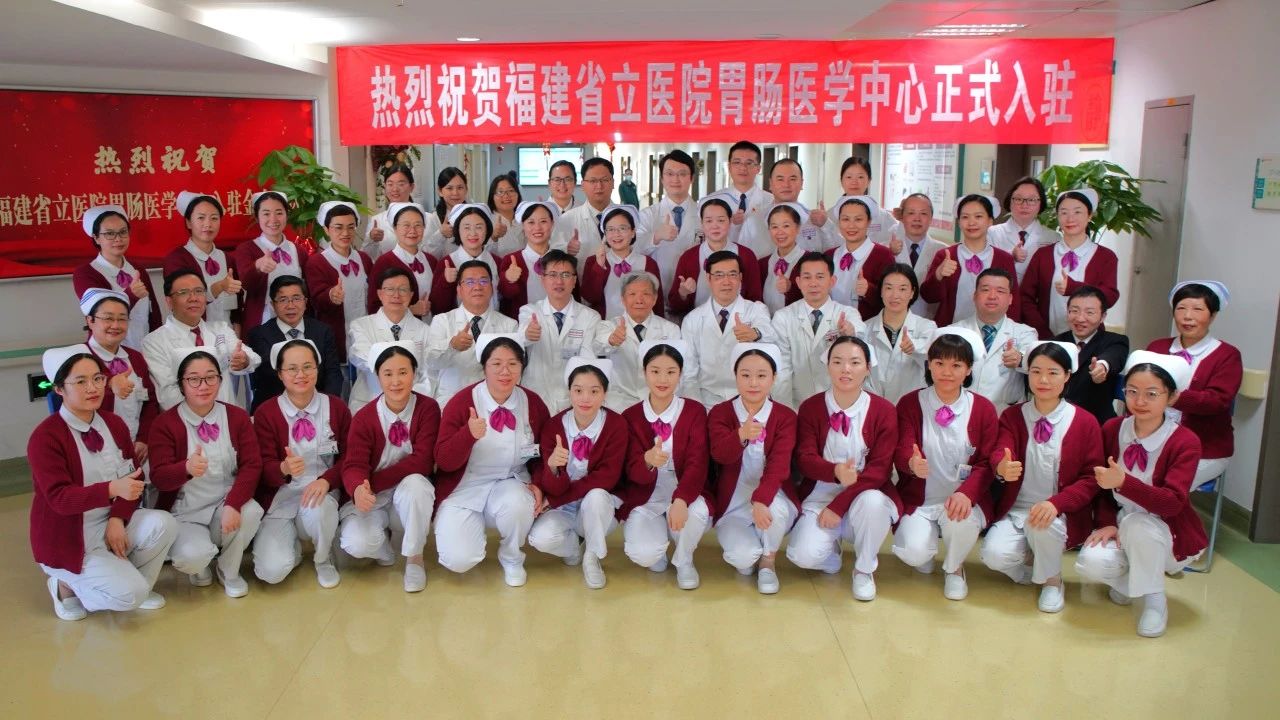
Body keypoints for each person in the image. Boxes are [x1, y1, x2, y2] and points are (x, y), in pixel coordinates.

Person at [28, 345, 177, 620]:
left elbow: (134, 477)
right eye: (80, 381)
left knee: (164, 523)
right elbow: (59, 499)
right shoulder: (46, 437)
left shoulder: (113, 423)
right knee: (129, 595)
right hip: (71, 535)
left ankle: (133, 584)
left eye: (97, 378)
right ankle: (64, 585)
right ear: (59, 389)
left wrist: (118, 518)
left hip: (109, 522)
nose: (93, 388)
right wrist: (110, 489)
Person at [1075, 351, 1208, 638]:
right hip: (1122, 522)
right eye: (1132, 391)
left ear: (1172, 397)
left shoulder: (1185, 441)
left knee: (1138, 526)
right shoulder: (1113, 428)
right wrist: (1107, 522)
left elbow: (1173, 503)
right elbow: (1100, 486)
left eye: (1152, 394)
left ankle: (1155, 601)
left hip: (1168, 530)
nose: (1140, 401)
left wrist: (1124, 483)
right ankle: (1131, 581)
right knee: (1090, 563)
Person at [981, 341, 1103, 613]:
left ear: (1067, 376)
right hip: (1018, 509)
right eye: (1036, 372)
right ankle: (1030, 563)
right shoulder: (1013, 415)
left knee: (1043, 525)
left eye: (1053, 372)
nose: (1043, 380)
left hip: (1060, 512)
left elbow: (1090, 478)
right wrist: (1001, 466)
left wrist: (1056, 503)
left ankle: (1052, 581)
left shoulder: (1084, 422)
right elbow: (1001, 449)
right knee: (994, 556)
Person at [433, 334, 550, 587]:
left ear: (522, 367)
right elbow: (444, 460)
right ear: (484, 367)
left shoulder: (532, 403)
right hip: (466, 485)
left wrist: (540, 483)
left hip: (511, 481)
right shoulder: (462, 402)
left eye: (513, 364)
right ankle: (474, 534)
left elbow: (542, 453)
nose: (505, 372)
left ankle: (512, 556)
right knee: (458, 559)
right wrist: (468, 435)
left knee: (519, 504)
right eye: (496, 364)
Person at [788, 336, 899, 601]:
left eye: (855, 362)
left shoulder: (883, 410)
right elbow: (804, 458)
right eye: (837, 361)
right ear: (827, 366)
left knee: (873, 503)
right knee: (802, 556)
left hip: (865, 495)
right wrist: (835, 472)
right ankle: (832, 549)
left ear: (868, 368)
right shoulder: (811, 407)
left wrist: (839, 505)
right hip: (820, 497)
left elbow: (880, 470)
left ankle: (864, 569)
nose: (845, 369)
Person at [892, 329, 998, 601]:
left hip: (964, 499)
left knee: (960, 521)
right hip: (921, 499)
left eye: (956, 365)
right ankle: (926, 549)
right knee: (913, 553)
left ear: (969, 369)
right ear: (929, 364)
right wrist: (911, 463)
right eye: (939, 363)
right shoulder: (910, 403)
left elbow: (986, 462)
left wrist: (967, 493)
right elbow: (902, 447)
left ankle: (954, 568)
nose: (947, 372)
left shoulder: (983, 408)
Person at [148, 348, 264, 598]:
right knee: (192, 558)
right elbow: (159, 477)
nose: (203, 386)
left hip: (224, 504)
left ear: (220, 380)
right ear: (181, 384)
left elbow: (252, 465)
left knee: (251, 511)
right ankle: (200, 563)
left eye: (211, 377)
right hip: (185, 511)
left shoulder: (236, 416)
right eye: (194, 379)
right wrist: (185, 469)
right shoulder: (165, 424)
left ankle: (229, 570)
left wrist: (233, 503)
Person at [340, 342, 440, 592]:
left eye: (403, 372)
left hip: (406, 490)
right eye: (388, 373)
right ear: (378, 376)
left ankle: (415, 559)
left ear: (414, 374)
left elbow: (423, 461)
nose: (396, 381)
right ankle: (382, 547)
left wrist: (372, 484)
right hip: (374, 495)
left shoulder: (428, 408)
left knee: (416, 485)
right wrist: (358, 488)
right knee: (357, 543)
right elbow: (353, 464)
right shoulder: (364, 417)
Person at [251, 339, 351, 589]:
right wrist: (282, 469)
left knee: (320, 510)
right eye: (292, 369)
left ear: (317, 369)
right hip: (282, 497)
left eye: (308, 367)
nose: (301, 375)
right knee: (270, 572)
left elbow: (350, 458)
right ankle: (292, 549)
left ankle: (323, 557)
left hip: (321, 492)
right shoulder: (266, 413)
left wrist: (327, 480)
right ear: (280, 374)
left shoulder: (336, 407)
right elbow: (259, 467)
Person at [616, 340, 711, 590]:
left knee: (697, 512)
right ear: (644, 372)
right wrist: (646, 461)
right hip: (646, 496)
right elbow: (629, 471)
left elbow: (698, 462)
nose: (662, 379)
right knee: (645, 556)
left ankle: (684, 560)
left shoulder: (694, 411)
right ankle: (659, 545)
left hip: (685, 491)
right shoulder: (630, 416)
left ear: (680, 374)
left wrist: (681, 499)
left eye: (671, 372)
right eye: (655, 371)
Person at [529, 359, 628, 589]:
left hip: (598, 507)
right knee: (539, 539)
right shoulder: (553, 426)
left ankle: (592, 557)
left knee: (596, 496)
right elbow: (552, 487)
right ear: (569, 392)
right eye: (578, 390)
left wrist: (556, 500)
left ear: (604, 394)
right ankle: (574, 548)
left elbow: (607, 478)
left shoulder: (616, 425)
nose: (586, 398)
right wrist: (553, 468)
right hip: (564, 505)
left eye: (594, 391)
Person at [708, 343, 799, 595]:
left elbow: (779, 466)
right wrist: (741, 435)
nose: (753, 383)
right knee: (743, 560)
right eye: (746, 375)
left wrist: (761, 499)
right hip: (734, 501)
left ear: (774, 378)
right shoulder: (720, 412)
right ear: (735, 376)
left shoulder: (785, 416)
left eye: (762, 375)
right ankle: (754, 551)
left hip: (773, 495)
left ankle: (768, 561)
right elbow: (719, 455)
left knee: (775, 510)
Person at [1146, 281, 1242, 489]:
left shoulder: (1227, 355)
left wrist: (1174, 398)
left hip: (1204, 449)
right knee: (1121, 477)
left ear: (1213, 315)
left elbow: (1217, 401)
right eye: (1181, 308)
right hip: (1153, 441)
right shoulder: (1157, 347)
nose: (1187, 316)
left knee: (1156, 487)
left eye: (1197, 309)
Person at [141, 270, 260, 410]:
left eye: (199, 291)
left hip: (226, 415)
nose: (193, 298)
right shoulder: (154, 342)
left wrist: (244, 361)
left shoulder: (221, 329)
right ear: (169, 301)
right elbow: (168, 396)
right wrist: (208, 411)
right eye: (184, 292)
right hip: (185, 419)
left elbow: (254, 359)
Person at [680, 250, 779, 406]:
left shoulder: (756, 310)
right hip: (707, 401)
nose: (726, 282)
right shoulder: (692, 320)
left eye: (732, 275)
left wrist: (755, 334)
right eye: (719, 275)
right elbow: (689, 374)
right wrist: (696, 408)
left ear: (740, 277)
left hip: (750, 399)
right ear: (708, 278)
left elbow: (770, 335)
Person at [1021, 188, 1121, 339]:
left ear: (1089, 215)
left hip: (1090, 340)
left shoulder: (1105, 256)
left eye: (1077, 212)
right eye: (1064, 212)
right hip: (1046, 338)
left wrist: (1075, 287)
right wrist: (1042, 332)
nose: (1070, 219)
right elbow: (1025, 297)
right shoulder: (1043, 254)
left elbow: (1110, 296)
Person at [770, 251, 862, 408]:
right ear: (798, 282)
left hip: (840, 404)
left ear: (832, 281)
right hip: (798, 405)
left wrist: (851, 333)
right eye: (807, 277)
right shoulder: (783, 317)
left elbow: (862, 338)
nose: (813, 283)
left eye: (820, 277)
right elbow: (781, 370)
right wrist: (785, 410)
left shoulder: (847, 313)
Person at [516, 250, 602, 412]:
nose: (559, 281)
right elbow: (520, 339)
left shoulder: (590, 316)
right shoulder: (529, 311)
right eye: (552, 275)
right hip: (535, 393)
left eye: (565, 275)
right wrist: (528, 334)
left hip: (572, 396)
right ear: (543, 280)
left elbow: (588, 360)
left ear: (574, 280)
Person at [80, 289, 159, 463]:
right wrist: (109, 384)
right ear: (90, 320)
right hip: (97, 451)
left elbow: (151, 400)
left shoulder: (135, 358)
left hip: (137, 447)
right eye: (108, 318)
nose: (115, 325)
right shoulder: (78, 358)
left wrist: (144, 439)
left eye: (122, 319)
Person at [424, 260, 519, 404]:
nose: (477, 287)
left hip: (494, 402)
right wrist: (452, 346)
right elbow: (430, 361)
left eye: (483, 281)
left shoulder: (509, 325)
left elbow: (515, 370)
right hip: (452, 400)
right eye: (469, 282)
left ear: (492, 288)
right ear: (459, 290)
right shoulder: (442, 321)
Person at [948, 268, 1038, 413]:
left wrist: (1020, 359)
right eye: (985, 290)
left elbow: (1036, 364)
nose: (992, 296)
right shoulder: (953, 332)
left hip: (1004, 414)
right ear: (974, 296)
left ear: (1010, 299)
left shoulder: (1025, 333)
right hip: (960, 412)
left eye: (1000, 291)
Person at [245, 275, 343, 410]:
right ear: (273, 305)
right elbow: (268, 379)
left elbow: (333, 373)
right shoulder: (259, 335)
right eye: (283, 300)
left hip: (318, 405)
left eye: (296, 298)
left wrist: (326, 405)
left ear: (305, 302)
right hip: (274, 408)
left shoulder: (323, 331)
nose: (290, 306)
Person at [920, 194, 1019, 327]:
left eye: (978, 216)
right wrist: (938, 274)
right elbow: (928, 297)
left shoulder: (1004, 259)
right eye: (965, 217)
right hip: (951, 331)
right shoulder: (945, 255)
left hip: (991, 332)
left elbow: (1013, 301)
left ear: (990, 221)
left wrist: (1007, 332)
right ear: (959, 222)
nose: (971, 222)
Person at [72, 205, 161, 349]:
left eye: (123, 232)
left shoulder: (138, 270)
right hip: (108, 352)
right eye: (110, 234)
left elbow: (154, 315)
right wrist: (131, 295)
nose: (118, 239)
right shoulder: (85, 274)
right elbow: (103, 315)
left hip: (145, 350)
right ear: (96, 238)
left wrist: (158, 347)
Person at [591, 272, 681, 412]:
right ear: (623, 299)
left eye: (646, 294)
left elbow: (677, 369)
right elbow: (598, 347)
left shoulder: (670, 330)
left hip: (658, 401)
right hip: (619, 401)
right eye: (632, 294)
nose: (639, 300)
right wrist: (612, 340)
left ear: (655, 299)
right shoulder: (609, 326)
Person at [347, 267, 431, 413]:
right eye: (390, 289)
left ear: (411, 295)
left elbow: (429, 373)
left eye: (403, 290)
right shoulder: (361, 326)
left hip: (413, 402)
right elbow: (359, 356)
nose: (396, 295)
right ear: (380, 294)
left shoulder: (425, 330)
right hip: (369, 399)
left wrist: (407, 395)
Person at [667, 193, 763, 316]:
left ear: (730, 222)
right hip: (698, 323)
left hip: (738, 322)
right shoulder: (688, 257)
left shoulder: (746, 255)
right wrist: (683, 293)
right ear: (701, 223)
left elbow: (755, 299)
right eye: (709, 221)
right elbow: (674, 305)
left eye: (721, 220)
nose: (715, 226)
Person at [304, 201, 373, 366]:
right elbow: (316, 299)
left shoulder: (364, 259)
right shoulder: (317, 262)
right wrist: (331, 295)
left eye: (351, 227)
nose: (345, 233)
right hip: (336, 336)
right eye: (338, 227)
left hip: (366, 333)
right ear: (327, 230)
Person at [164, 191, 241, 327]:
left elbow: (238, 305)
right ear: (188, 222)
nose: (208, 224)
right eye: (201, 218)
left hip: (227, 334)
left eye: (214, 218)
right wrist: (219, 287)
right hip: (192, 334)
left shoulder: (228, 259)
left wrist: (236, 333)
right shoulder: (176, 259)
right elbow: (183, 300)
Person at [863, 264, 937, 404]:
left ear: (912, 292)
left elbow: (933, 358)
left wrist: (915, 347)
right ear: (881, 291)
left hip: (913, 405)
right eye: (888, 288)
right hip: (872, 405)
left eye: (902, 289)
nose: (895, 295)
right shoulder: (865, 328)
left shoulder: (927, 327)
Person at [235, 191, 308, 329]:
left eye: (279, 213)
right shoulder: (246, 249)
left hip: (295, 324)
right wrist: (257, 266)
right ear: (257, 217)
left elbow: (307, 290)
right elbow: (245, 284)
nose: (273, 219)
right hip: (261, 324)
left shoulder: (299, 251)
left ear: (287, 215)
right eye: (266, 214)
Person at [1057, 285, 1129, 423]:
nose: (1080, 318)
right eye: (1074, 311)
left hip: (1097, 422)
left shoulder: (1116, 341)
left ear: (1103, 316)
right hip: (1058, 421)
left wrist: (1102, 366)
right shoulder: (1055, 342)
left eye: (1089, 313)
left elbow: (1113, 356)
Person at [580, 204, 664, 320]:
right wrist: (599, 267)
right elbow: (590, 298)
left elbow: (657, 304)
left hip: (642, 327)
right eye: (610, 229)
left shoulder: (648, 263)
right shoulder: (593, 261)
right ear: (605, 234)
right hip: (605, 327)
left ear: (633, 232)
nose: (616, 234)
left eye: (622, 228)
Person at [637, 150, 701, 291]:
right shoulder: (647, 215)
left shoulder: (704, 215)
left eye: (682, 174)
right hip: (657, 289)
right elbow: (633, 249)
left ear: (692, 178)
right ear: (662, 178)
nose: (675, 179)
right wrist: (656, 237)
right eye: (670, 174)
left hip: (695, 290)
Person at [826, 195, 897, 319]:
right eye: (845, 219)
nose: (851, 226)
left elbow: (894, 297)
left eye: (858, 219)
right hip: (831, 324)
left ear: (869, 222)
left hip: (867, 326)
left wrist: (868, 290)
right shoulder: (829, 255)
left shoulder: (883, 255)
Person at [367, 202, 437, 318]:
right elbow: (374, 307)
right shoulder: (384, 262)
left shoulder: (431, 261)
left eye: (418, 225)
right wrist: (410, 310)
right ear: (395, 228)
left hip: (432, 326)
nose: (412, 230)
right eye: (406, 225)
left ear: (424, 227)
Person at [430, 203, 501, 314]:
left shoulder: (498, 262)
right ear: (457, 230)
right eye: (466, 228)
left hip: (494, 322)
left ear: (487, 229)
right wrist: (445, 282)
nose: (473, 233)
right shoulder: (446, 263)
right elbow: (436, 307)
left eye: (479, 227)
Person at [887, 193, 946, 318]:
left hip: (929, 321)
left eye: (923, 213)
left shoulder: (943, 252)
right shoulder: (885, 249)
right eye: (911, 213)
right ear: (902, 217)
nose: (917, 219)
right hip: (892, 319)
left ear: (931, 218)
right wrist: (889, 254)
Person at [988, 177, 1059, 281]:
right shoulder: (992, 233)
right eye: (1018, 199)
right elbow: (985, 266)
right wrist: (1010, 256)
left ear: (1041, 203)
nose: (1024, 205)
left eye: (1031, 200)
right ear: (1009, 202)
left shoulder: (1053, 237)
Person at [497, 200, 558, 317]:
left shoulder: (562, 259)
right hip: (523, 324)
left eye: (543, 221)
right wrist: (508, 279)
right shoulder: (511, 260)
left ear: (552, 224)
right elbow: (504, 297)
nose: (537, 227)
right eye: (531, 222)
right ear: (523, 226)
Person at [720, 141, 774, 258]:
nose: (743, 168)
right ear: (729, 167)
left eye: (749, 163)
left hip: (760, 261)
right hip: (722, 263)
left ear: (758, 168)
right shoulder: (712, 201)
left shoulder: (771, 201)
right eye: (737, 162)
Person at [827, 156, 895, 248]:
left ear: (869, 181)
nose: (854, 182)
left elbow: (896, 238)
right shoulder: (830, 216)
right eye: (849, 177)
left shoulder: (883, 216)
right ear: (841, 180)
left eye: (860, 177)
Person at [560, 157, 616, 260]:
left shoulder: (628, 217)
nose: (599, 186)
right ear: (583, 185)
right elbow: (555, 256)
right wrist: (566, 251)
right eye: (593, 181)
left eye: (604, 180)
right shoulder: (566, 219)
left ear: (613, 183)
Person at [765, 159, 828, 251]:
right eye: (780, 179)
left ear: (802, 183)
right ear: (770, 183)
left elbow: (834, 251)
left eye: (792, 179)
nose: (786, 185)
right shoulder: (755, 220)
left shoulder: (814, 219)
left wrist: (825, 225)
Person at [759, 202, 808, 313]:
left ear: (798, 228)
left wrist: (791, 288)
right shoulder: (761, 264)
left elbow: (817, 298)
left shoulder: (810, 261)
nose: (780, 232)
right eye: (774, 227)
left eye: (786, 226)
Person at [363, 164, 416, 261]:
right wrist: (372, 239)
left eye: (401, 184)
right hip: (387, 269)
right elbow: (367, 258)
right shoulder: (377, 221)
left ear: (412, 187)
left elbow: (433, 254)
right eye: (390, 184)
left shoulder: (428, 219)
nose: (395, 189)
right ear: (384, 186)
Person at [422, 167, 469, 259]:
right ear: (440, 191)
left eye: (460, 187)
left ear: (466, 189)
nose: (455, 193)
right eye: (449, 188)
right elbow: (426, 255)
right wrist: (441, 234)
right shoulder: (433, 219)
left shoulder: (475, 216)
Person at [487, 172, 526, 256]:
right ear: (492, 197)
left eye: (511, 191)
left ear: (518, 194)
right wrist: (494, 237)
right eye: (500, 192)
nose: (506, 196)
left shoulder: (524, 221)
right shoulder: (486, 222)